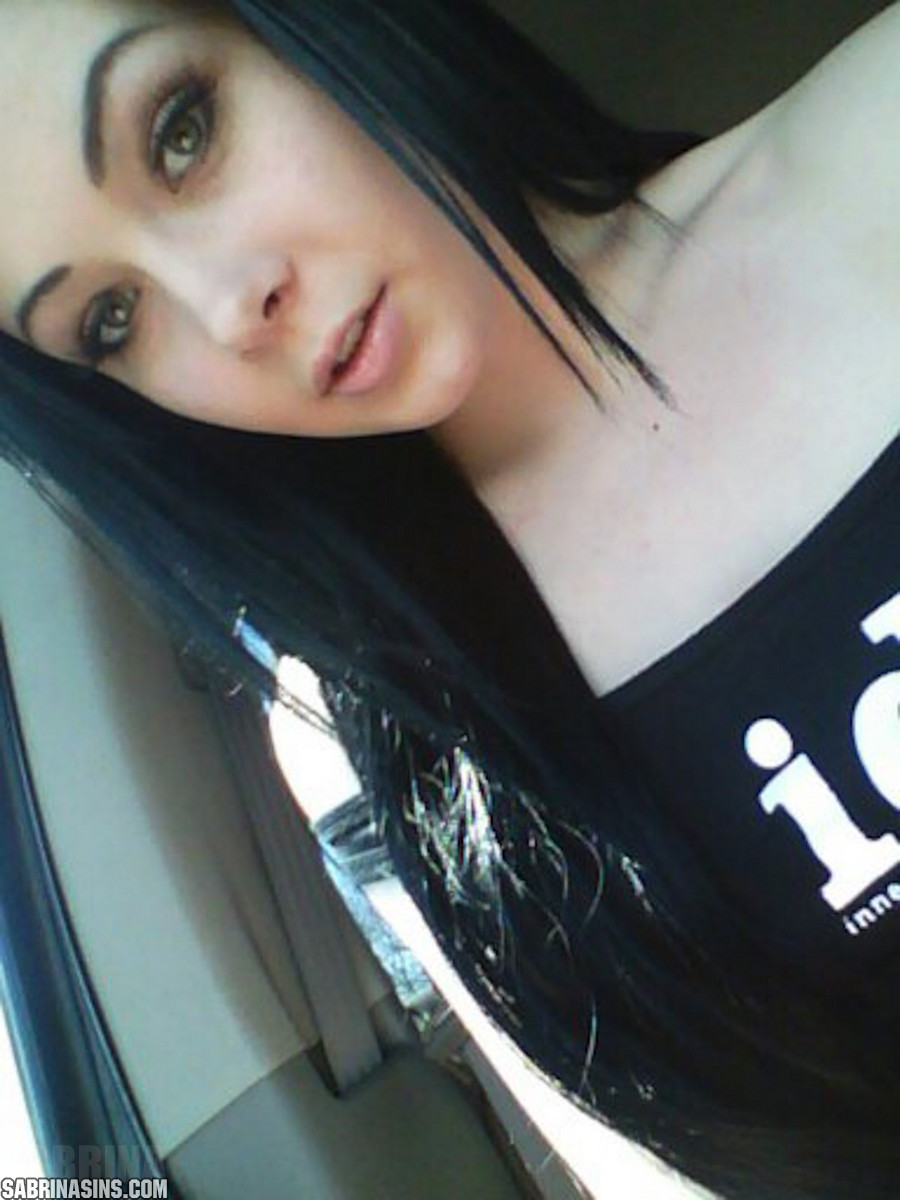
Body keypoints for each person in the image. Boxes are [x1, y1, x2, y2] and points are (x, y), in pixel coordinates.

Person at [1, 0, 899, 1196]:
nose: (225, 307)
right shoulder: (395, 732)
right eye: (112, 320)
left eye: (182, 130)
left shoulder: (876, 145)